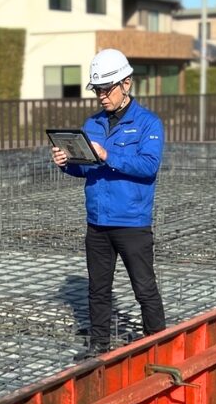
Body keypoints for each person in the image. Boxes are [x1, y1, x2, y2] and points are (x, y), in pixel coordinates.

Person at [52, 48, 166, 357]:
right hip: (98, 222)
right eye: (98, 90)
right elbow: (84, 167)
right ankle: (98, 345)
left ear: (126, 83)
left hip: (131, 223)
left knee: (144, 288)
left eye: (107, 89)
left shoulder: (148, 124)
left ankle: (157, 343)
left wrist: (107, 155)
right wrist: (66, 162)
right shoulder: (92, 124)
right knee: (98, 289)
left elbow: (148, 166)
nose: (102, 96)